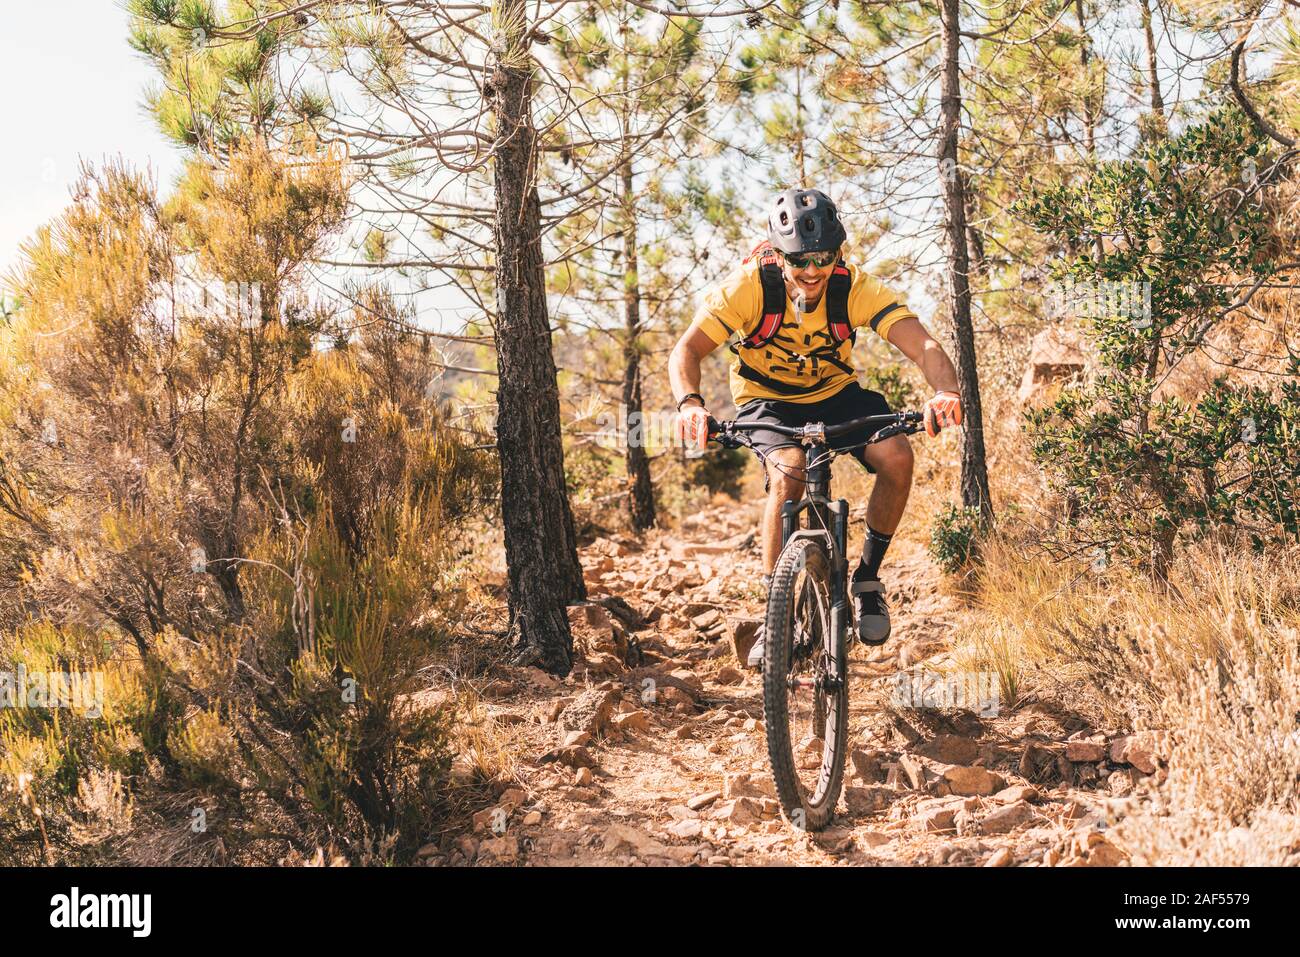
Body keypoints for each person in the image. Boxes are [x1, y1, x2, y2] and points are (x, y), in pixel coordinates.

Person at [669, 187, 963, 668]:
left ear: (838, 252)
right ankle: (773, 616)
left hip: (835, 394)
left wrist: (945, 391)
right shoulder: (749, 286)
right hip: (766, 402)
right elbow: (687, 350)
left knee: (897, 456)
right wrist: (690, 404)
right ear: (779, 255)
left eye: (823, 259)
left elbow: (923, 345)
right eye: (799, 261)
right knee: (788, 473)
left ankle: (866, 578)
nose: (811, 272)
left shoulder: (854, 287)